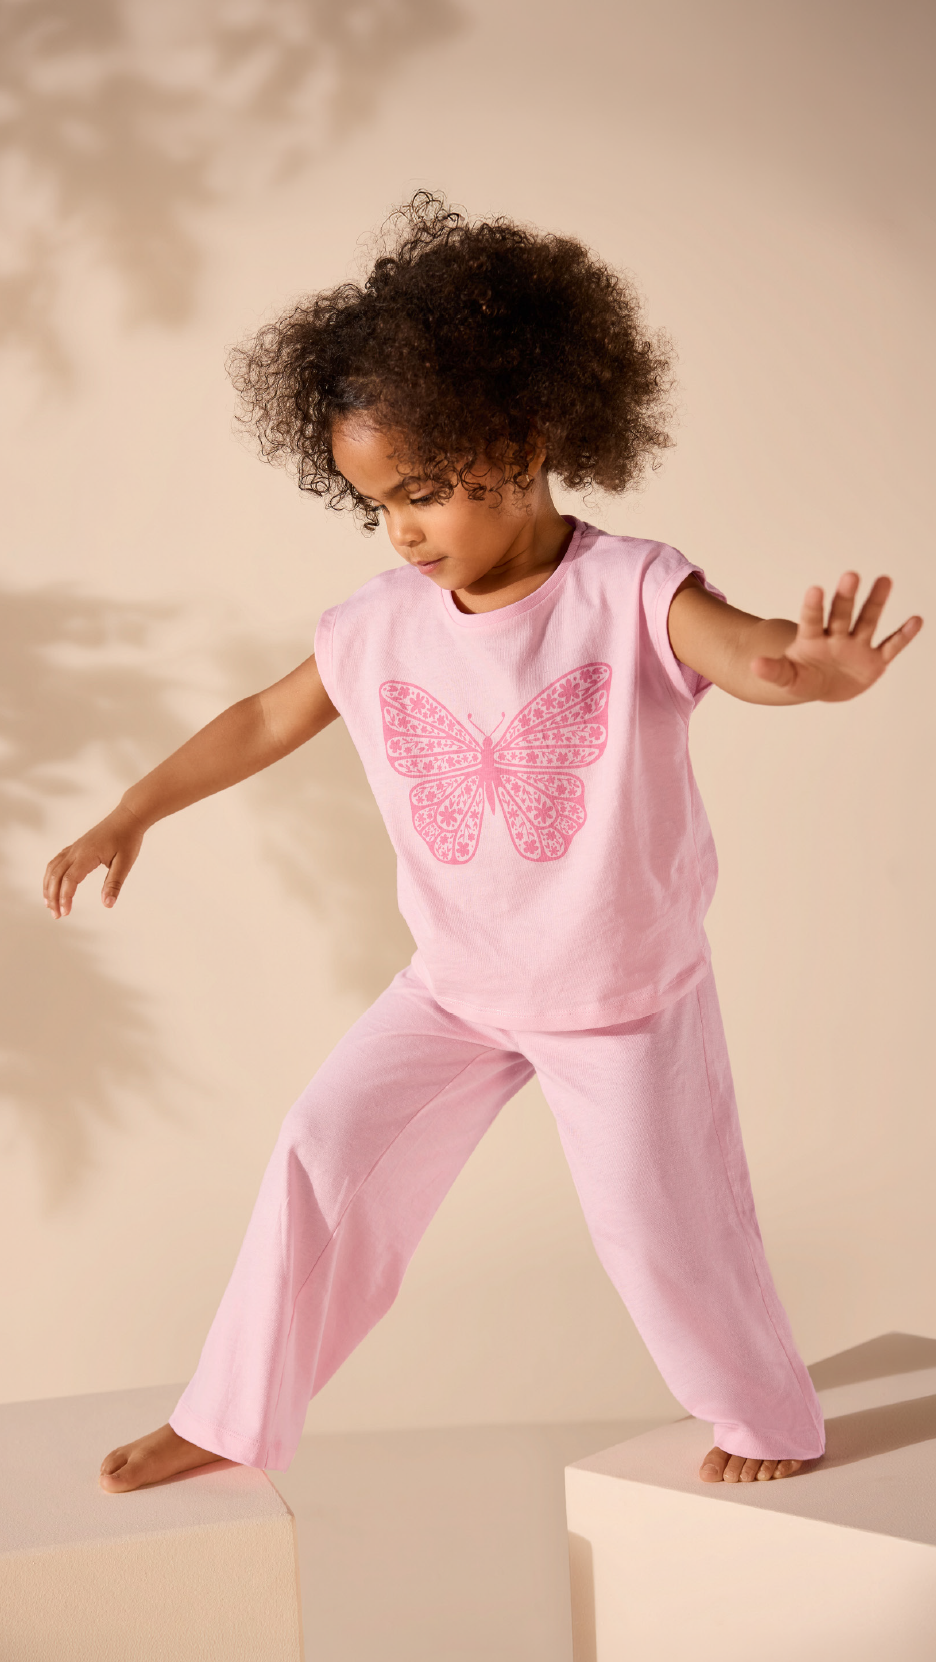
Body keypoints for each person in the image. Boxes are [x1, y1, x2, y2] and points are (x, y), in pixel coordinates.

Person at [42, 193, 922, 1494]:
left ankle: (768, 1412)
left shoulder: (629, 588)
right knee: (322, 1149)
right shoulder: (379, 620)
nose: (401, 528)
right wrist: (133, 809)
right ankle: (231, 1410)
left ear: (516, 443)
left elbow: (741, 651)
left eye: (423, 492)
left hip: (619, 995)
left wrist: (810, 671)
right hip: (456, 984)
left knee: (660, 1222)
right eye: (377, 504)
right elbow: (263, 716)